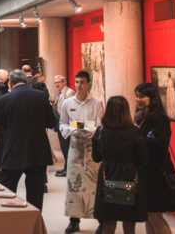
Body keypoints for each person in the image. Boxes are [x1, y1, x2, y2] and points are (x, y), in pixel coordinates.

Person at [0, 69, 56, 211]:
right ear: (27, 81)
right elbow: (51, 123)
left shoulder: (4, 99)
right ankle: (34, 226)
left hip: (13, 150)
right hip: (38, 150)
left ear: (10, 82)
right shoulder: (41, 96)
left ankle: (9, 224)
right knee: (35, 196)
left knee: (7, 192)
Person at [92, 96, 148, 234]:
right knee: (129, 223)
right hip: (129, 176)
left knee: (109, 222)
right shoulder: (135, 132)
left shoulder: (101, 132)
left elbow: (96, 157)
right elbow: (143, 159)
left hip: (108, 175)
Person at [60, 70, 105, 234]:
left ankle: (101, 219)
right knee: (74, 185)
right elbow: (62, 124)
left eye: (82, 82)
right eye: (76, 82)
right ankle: (74, 220)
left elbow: (98, 126)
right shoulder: (67, 103)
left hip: (92, 149)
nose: (78, 85)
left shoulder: (97, 103)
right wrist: (76, 128)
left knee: (94, 185)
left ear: (88, 84)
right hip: (74, 148)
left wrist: (81, 127)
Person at [135, 82, 175, 234]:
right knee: (148, 214)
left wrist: (140, 137)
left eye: (142, 96)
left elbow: (162, 143)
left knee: (155, 214)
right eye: (137, 96)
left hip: (157, 171)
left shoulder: (159, 117)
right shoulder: (142, 116)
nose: (138, 99)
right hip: (146, 170)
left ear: (151, 98)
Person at [52, 75, 75, 177]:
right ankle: (66, 168)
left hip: (66, 123)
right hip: (60, 122)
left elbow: (69, 108)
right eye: (55, 82)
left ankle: (68, 169)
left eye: (58, 82)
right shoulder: (61, 92)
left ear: (64, 82)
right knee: (63, 146)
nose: (56, 84)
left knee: (66, 147)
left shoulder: (69, 92)